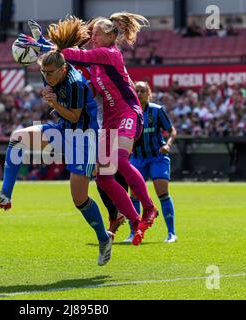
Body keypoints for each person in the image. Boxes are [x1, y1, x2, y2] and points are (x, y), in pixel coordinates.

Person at [19, 13, 159, 246]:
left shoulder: (109, 53)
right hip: (109, 120)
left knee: (119, 161)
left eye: (96, 34)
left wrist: (41, 44)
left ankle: (150, 208)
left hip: (127, 112)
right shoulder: (97, 65)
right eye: (92, 34)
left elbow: (75, 55)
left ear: (110, 35)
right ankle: (135, 221)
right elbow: (80, 76)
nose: (93, 38)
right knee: (103, 178)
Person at [0, 22, 114, 266]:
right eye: (43, 73)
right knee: (17, 139)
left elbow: (74, 116)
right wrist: (38, 39)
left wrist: (53, 103)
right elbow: (50, 51)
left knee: (79, 199)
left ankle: (103, 237)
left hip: (83, 138)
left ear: (63, 70)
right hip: (64, 130)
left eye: (50, 74)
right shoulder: (54, 64)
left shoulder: (74, 83)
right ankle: (5, 195)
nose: (46, 77)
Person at [123, 81, 177, 243]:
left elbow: (172, 131)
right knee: (134, 195)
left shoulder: (157, 111)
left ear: (149, 93)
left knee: (162, 192)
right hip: (137, 158)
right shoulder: (129, 112)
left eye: (142, 91)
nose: (139, 93)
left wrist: (168, 145)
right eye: (136, 91)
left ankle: (171, 233)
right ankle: (134, 232)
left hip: (157, 157)